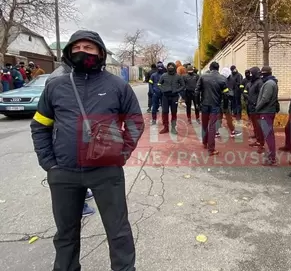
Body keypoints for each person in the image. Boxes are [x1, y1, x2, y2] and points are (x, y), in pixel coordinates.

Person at [30, 29, 145, 270]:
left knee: (118, 231)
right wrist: (48, 163)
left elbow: (135, 122)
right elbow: (40, 125)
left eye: (89, 48)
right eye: (77, 48)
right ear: (69, 53)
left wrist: (122, 154)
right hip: (63, 172)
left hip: (106, 171)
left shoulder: (117, 86)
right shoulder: (55, 85)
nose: (82, 52)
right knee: (65, 234)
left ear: (100, 53)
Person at [46, 61, 96, 217]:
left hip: (77, 132)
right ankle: (79, 205)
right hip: (67, 135)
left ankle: (83, 190)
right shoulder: (60, 77)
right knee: (71, 168)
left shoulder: (73, 72)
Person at [195, 61, 229, 156]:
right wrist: (225, 107)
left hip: (204, 104)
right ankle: (211, 149)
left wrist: (197, 104)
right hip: (215, 105)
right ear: (218, 69)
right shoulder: (222, 79)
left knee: (205, 124)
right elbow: (226, 95)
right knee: (212, 126)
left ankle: (204, 142)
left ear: (209, 68)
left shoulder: (203, 77)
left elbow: (197, 91)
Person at [255, 66, 279, 165]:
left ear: (264, 74)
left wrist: (257, 108)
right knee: (269, 134)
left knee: (269, 135)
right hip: (268, 111)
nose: (261, 76)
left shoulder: (269, 84)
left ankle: (272, 157)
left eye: (262, 74)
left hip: (266, 112)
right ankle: (271, 154)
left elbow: (265, 99)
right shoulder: (271, 82)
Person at [157, 62, 185, 134]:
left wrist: (177, 90)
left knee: (174, 112)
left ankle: (173, 128)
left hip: (174, 97)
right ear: (167, 67)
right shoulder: (164, 75)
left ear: (174, 67)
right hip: (165, 97)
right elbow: (159, 84)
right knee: (165, 112)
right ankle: (165, 127)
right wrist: (162, 89)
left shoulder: (178, 76)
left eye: (172, 66)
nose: (170, 67)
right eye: (169, 66)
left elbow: (183, 85)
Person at [245, 67, 264, 148]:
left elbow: (261, 95)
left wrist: (256, 103)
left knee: (258, 125)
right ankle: (258, 139)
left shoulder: (259, 83)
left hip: (256, 108)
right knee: (255, 125)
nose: (250, 75)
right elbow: (246, 92)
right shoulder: (251, 83)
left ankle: (261, 142)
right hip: (251, 107)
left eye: (251, 73)